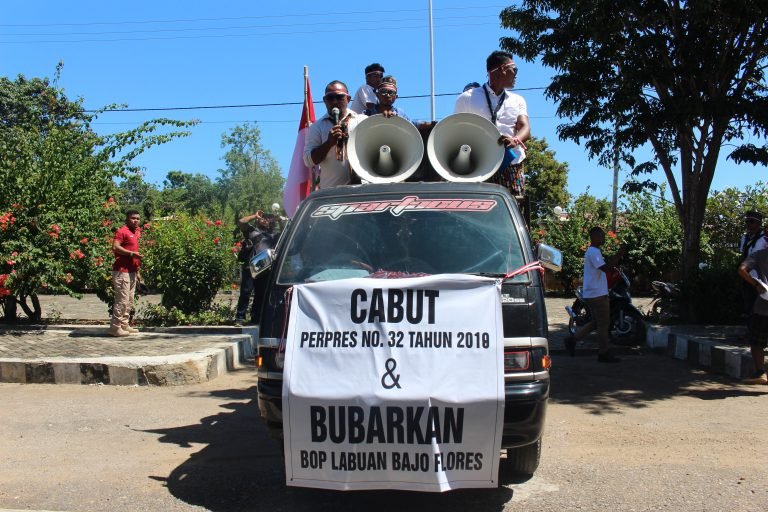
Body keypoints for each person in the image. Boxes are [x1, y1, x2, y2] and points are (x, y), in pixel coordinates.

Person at [454, 50, 531, 197]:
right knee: (480, 206)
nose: (516, 74)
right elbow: (457, 132)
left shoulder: (518, 100)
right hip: (480, 163)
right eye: (514, 69)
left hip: (511, 162)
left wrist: (515, 140)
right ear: (503, 69)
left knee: (513, 205)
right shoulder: (466, 98)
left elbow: (525, 127)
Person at [564, 227, 625, 362]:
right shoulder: (593, 252)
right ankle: (603, 353)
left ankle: (572, 340)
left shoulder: (594, 252)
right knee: (604, 324)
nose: (604, 238)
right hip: (597, 294)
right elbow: (606, 268)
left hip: (594, 293)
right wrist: (619, 254)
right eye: (602, 236)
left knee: (597, 322)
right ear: (595, 237)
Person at [303, 81, 366, 189]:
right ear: (324, 101)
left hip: (363, 190)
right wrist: (329, 143)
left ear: (348, 98)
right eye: (330, 98)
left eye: (339, 97)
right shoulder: (317, 127)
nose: (335, 101)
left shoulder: (362, 121)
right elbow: (308, 161)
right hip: (332, 194)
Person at [234, 211, 284, 326]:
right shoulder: (252, 231)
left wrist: (279, 220)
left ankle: (255, 319)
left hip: (265, 269)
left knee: (260, 294)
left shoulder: (274, 236)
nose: (264, 219)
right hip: (250, 267)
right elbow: (241, 222)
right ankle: (239, 318)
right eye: (262, 218)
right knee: (245, 292)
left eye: (267, 218)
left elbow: (284, 232)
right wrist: (254, 216)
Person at [737, 247, 768, 384]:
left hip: (763, 305)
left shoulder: (759, 255)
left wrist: (756, 284)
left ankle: (760, 372)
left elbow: (741, 270)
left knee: (756, 342)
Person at [110, 210, 142, 337]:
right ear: (127, 219)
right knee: (122, 300)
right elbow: (115, 247)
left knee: (129, 300)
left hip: (132, 271)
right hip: (121, 271)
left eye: (138, 218)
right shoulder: (122, 231)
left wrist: (138, 271)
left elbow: (135, 252)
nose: (136, 220)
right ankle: (115, 327)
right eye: (133, 218)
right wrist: (131, 254)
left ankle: (124, 324)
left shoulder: (136, 232)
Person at [739, 210, 768, 317]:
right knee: (749, 304)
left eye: (751, 222)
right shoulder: (745, 238)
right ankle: (752, 330)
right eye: (746, 222)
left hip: (762, 278)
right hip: (748, 277)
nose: (748, 224)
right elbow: (743, 255)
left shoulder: (765, 238)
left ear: (759, 223)